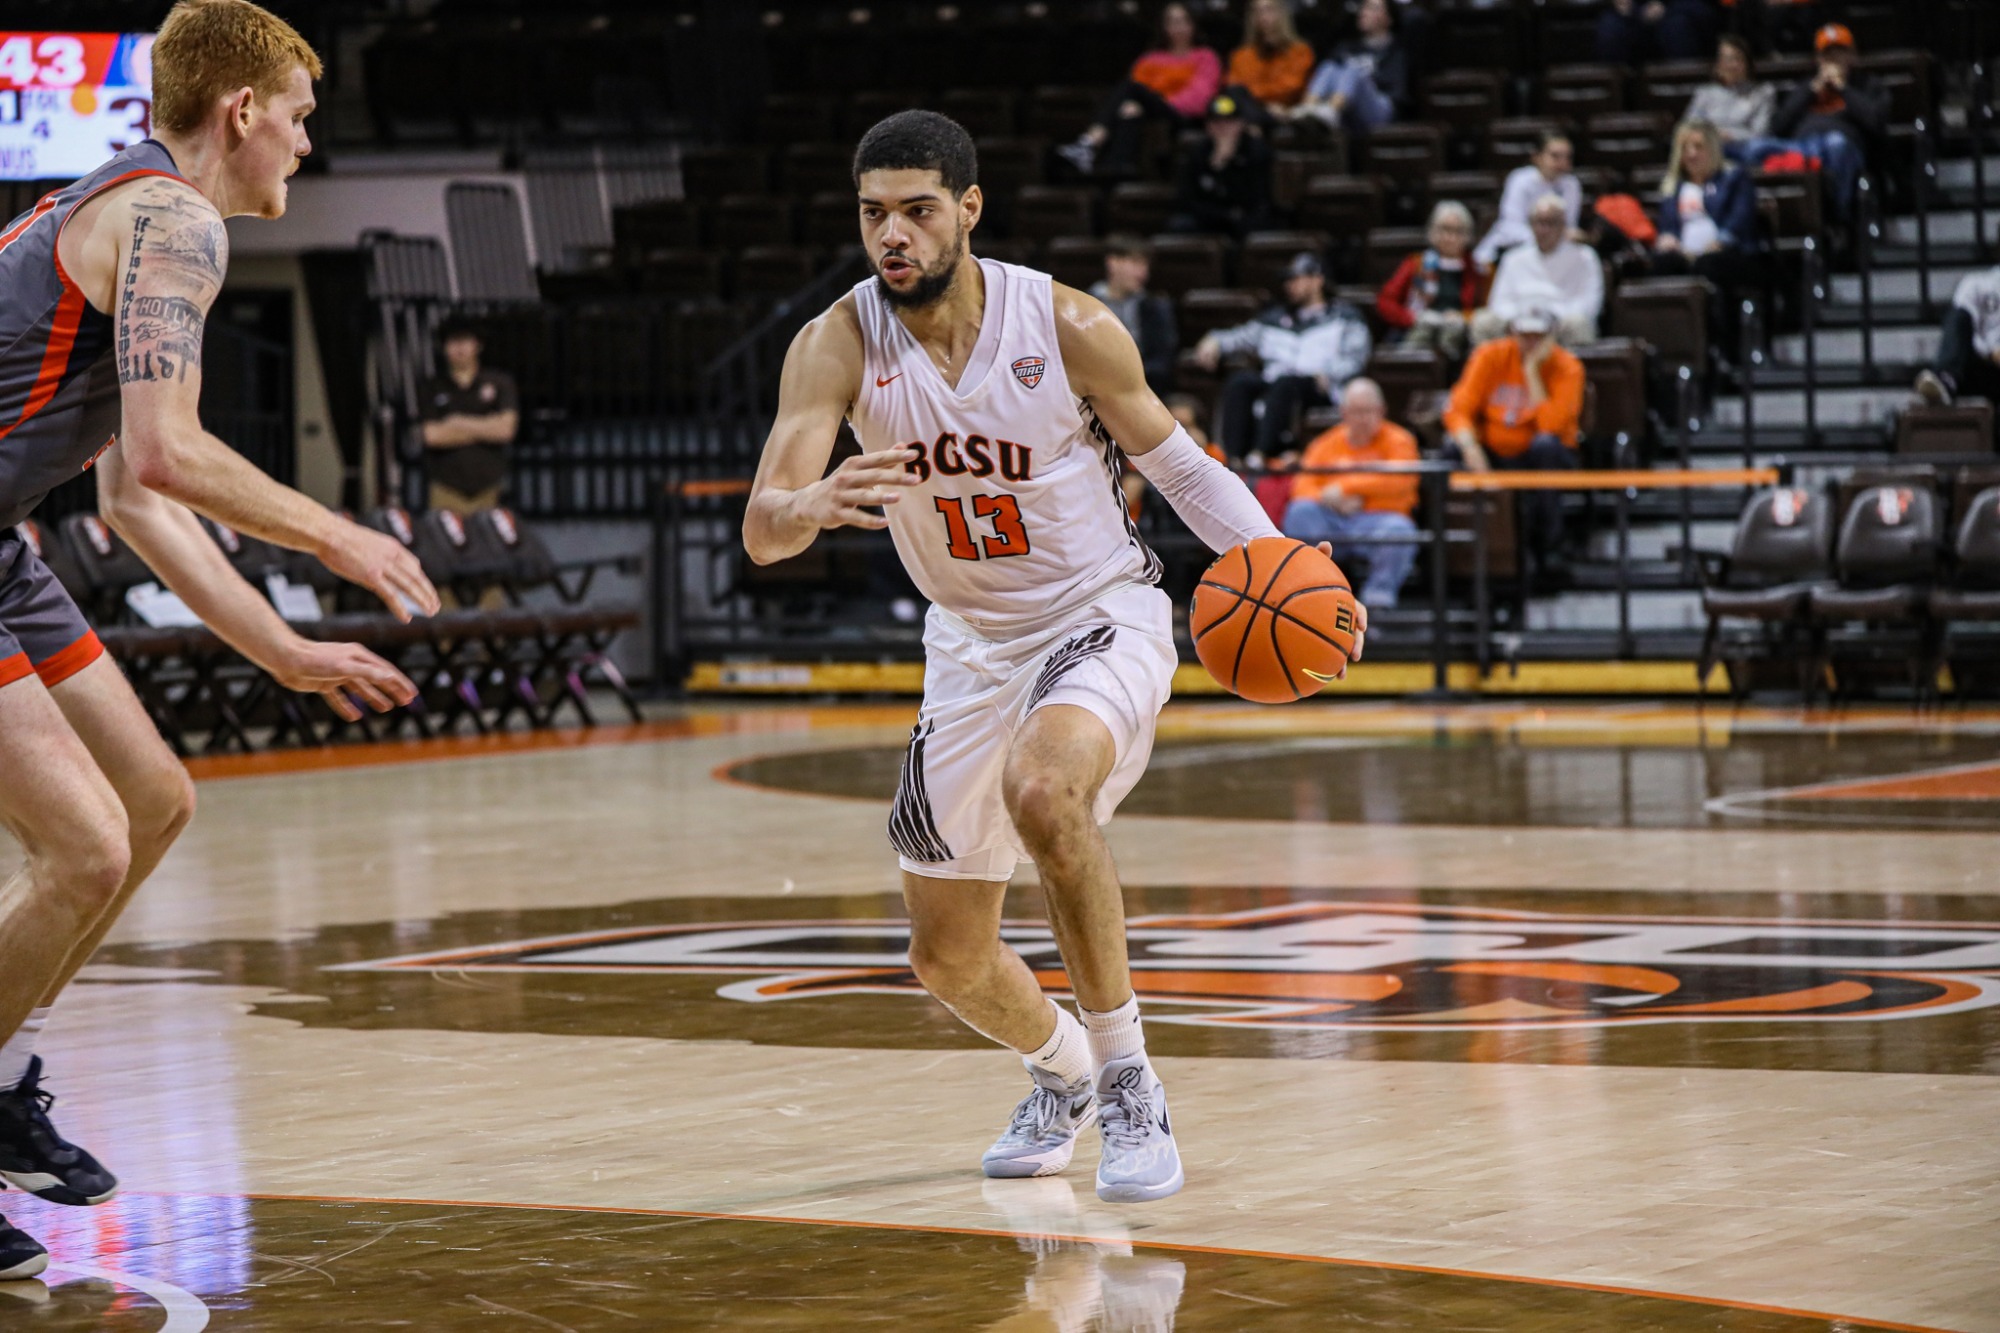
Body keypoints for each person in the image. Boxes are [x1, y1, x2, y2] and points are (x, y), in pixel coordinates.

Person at [742, 111, 1367, 1206]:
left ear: (967, 211)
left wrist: (1276, 556)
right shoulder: (835, 344)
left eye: (916, 211)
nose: (891, 234)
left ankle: (1129, 1079)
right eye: (871, 213)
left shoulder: (1067, 323)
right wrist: (809, 501)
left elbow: (1177, 467)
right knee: (945, 958)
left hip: (1096, 614)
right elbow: (763, 527)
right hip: (969, 648)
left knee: (1045, 790)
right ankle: (1063, 1072)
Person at [0, 0, 440, 1281]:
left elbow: (134, 503)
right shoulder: (171, 220)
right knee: (82, 846)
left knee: (152, 801)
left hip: (7, 540)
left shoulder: (133, 210)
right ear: (241, 110)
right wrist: (330, 536)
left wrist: (285, 655)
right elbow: (166, 452)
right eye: (301, 116)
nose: (306, 145)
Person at [1444, 305, 1587, 576]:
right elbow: (1458, 408)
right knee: (1452, 449)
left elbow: (1550, 425)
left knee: (1546, 446)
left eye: (1539, 336)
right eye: (1524, 335)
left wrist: (1532, 370)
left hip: (1541, 454)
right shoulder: (1489, 356)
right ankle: (1458, 555)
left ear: (1552, 336)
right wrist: (1470, 446)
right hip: (1493, 451)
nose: (1531, 342)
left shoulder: (1568, 367)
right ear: (1512, 332)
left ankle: (1550, 548)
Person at [1191, 252, 1373, 461]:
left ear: (1317, 280)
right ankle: (1233, 457)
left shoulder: (1345, 317)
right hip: (1276, 384)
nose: (1289, 285)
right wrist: (1214, 340)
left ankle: (1261, 454)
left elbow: (1355, 358)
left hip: (1318, 386)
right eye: (1287, 280)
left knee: (1287, 385)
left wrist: (1329, 375)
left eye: (1296, 279)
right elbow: (1239, 337)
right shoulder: (1274, 319)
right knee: (1240, 382)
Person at [1281, 378, 1421, 608]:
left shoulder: (1400, 440)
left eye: (1368, 411)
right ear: (1343, 412)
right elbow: (1301, 486)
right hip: (1332, 520)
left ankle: (1378, 600)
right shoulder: (1325, 443)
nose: (1362, 419)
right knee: (1300, 512)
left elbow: (1401, 480)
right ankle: (1311, 593)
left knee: (1400, 530)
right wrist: (1330, 499)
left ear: (1382, 411)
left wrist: (1346, 488)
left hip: (1377, 522)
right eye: (1356, 412)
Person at [1055, 2, 1221, 178]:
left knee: (1130, 88)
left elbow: (1200, 100)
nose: (1178, 28)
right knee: (1130, 112)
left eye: (1183, 21)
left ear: (1193, 25)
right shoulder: (1150, 59)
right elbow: (1134, 95)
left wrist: (1154, 102)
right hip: (1151, 113)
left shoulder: (1205, 56)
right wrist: (1145, 105)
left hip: (1183, 117)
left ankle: (1089, 142)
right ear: (1164, 27)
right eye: (1172, 22)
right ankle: (1116, 171)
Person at [1741, 23, 1887, 222]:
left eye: (1840, 53)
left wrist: (1843, 88)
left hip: (1843, 148)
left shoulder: (1867, 85)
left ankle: (1838, 220)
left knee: (1836, 144)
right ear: (1818, 59)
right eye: (1828, 55)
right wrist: (1809, 92)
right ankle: (1765, 220)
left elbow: (1876, 122)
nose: (1834, 60)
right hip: (1801, 148)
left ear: (1853, 55)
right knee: (1754, 147)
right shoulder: (1805, 86)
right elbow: (1778, 126)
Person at [1644, 119, 1761, 350]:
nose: (1691, 154)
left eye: (1698, 147)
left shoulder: (1734, 178)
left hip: (1727, 255)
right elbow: (1668, 228)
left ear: (1712, 149)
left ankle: (1720, 346)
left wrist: (1714, 246)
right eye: (1686, 148)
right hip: (1685, 255)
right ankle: (1673, 346)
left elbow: (1738, 223)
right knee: (1663, 264)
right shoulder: (1673, 187)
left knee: (1708, 266)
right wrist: (1668, 240)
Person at [419, 317, 520, 516]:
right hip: (446, 488)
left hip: (490, 486)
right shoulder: (432, 387)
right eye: (453, 341)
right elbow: (431, 436)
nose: (459, 348)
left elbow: (506, 430)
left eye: (465, 340)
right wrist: (487, 427)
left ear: (478, 344)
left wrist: (457, 423)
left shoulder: (499, 382)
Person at [1473, 195, 1603, 347]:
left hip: (1560, 323)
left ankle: (1569, 370)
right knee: (1483, 322)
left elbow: (1589, 305)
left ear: (1563, 225)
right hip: (1517, 323)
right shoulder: (1513, 258)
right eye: (1538, 222)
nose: (1543, 230)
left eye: (1550, 223)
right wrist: (1519, 319)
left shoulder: (1584, 256)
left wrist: (1552, 317)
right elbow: (1498, 303)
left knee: (1578, 324)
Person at [1377, 200, 1491, 363]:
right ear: (1433, 232)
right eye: (1445, 229)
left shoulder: (1478, 269)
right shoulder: (1416, 264)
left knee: (1453, 330)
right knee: (1425, 330)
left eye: (1458, 231)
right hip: (1421, 327)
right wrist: (1411, 317)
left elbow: (1489, 308)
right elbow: (1385, 302)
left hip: (1460, 334)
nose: (1451, 237)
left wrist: (1463, 317)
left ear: (1468, 235)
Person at [1164, 92, 1272, 239]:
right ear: (1208, 126)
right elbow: (1187, 198)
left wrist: (1230, 166)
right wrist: (1216, 167)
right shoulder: (1199, 153)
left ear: (1241, 125)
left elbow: (1257, 197)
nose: (1223, 129)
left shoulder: (1256, 152)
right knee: (1180, 225)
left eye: (1229, 123)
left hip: (1244, 216)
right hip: (1209, 217)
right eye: (1216, 123)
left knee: (1257, 226)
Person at [1293, 0, 1408, 134]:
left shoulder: (1396, 51)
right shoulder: (1347, 47)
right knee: (1329, 66)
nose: (1363, 13)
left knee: (1353, 69)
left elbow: (1396, 91)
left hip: (1381, 109)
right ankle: (1307, 109)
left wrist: (1363, 80)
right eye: (1363, 8)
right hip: (1348, 110)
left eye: (1372, 9)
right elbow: (1330, 76)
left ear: (1389, 19)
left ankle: (1331, 111)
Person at [1475, 130, 1583, 267]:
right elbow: (1511, 225)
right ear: (1537, 157)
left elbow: (1568, 226)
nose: (1563, 163)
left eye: (1567, 157)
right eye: (1555, 156)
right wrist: (1546, 238)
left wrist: (1553, 240)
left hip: (1551, 251)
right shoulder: (1520, 179)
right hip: (1508, 249)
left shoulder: (1571, 185)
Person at [1090, 237, 1178, 395]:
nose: (1143, 273)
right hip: (1093, 387)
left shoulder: (1155, 306)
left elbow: (1163, 361)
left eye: (1146, 265)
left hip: (1143, 389)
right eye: (1137, 263)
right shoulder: (1084, 304)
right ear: (1113, 262)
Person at [1914, 267, 2000, 406]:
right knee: (1958, 316)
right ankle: (1946, 380)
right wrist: (1991, 352)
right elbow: (1960, 324)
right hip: (1983, 369)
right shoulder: (1979, 283)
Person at [1686, 35, 1777, 155]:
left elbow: (1760, 134)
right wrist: (1713, 136)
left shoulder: (1763, 92)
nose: (1732, 65)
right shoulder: (1704, 93)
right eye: (1727, 59)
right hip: (1708, 152)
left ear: (1747, 63)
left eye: (1738, 59)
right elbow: (1689, 126)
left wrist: (1731, 137)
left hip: (1743, 151)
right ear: (1717, 64)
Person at [1226, 0, 1315, 118]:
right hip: (1248, 113)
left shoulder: (1300, 51)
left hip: (1288, 113)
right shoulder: (1240, 55)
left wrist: (1251, 93)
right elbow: (1234, 89)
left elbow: (1291, 88)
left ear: (1282, 13)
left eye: (1269, 10)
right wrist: (1263, 105)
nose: (1263, 17)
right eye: (1257, 11)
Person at [1596, 0, 1718, 65]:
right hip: (1631, 12)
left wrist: (1665, 7)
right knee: (1610, 30)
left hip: (1677, 8)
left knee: (1678, 27)